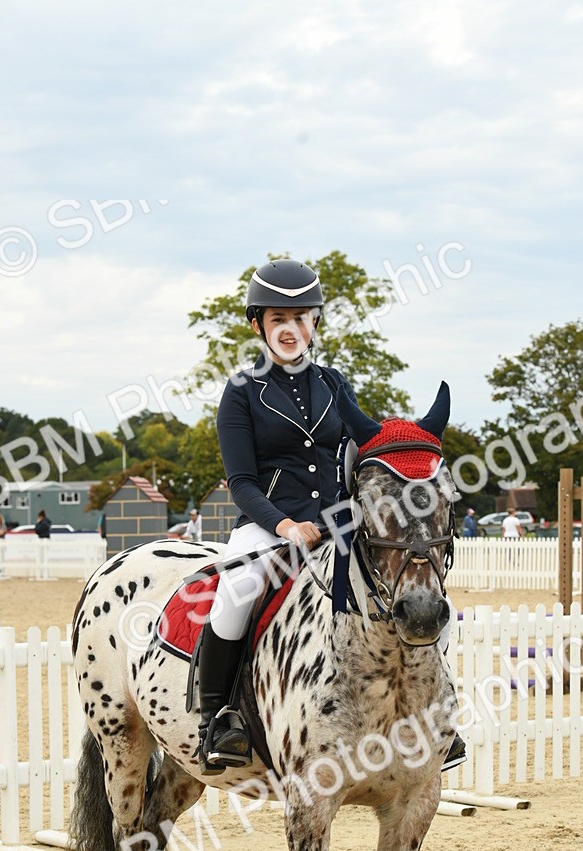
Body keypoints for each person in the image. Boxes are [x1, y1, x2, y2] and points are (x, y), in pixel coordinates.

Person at [196, 258, 465, 775]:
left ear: (315, 323)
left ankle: (433, 720)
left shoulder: (335, 384)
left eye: (301, 318)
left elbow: (356, 458)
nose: (290, 329)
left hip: (338, 524)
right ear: (259, 325)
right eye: (278, 319)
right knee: (235, 593)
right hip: (267, 525)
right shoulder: (240, 392)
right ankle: (219, 717)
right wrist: (285, 525)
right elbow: (242, 483)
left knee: (422, 597)